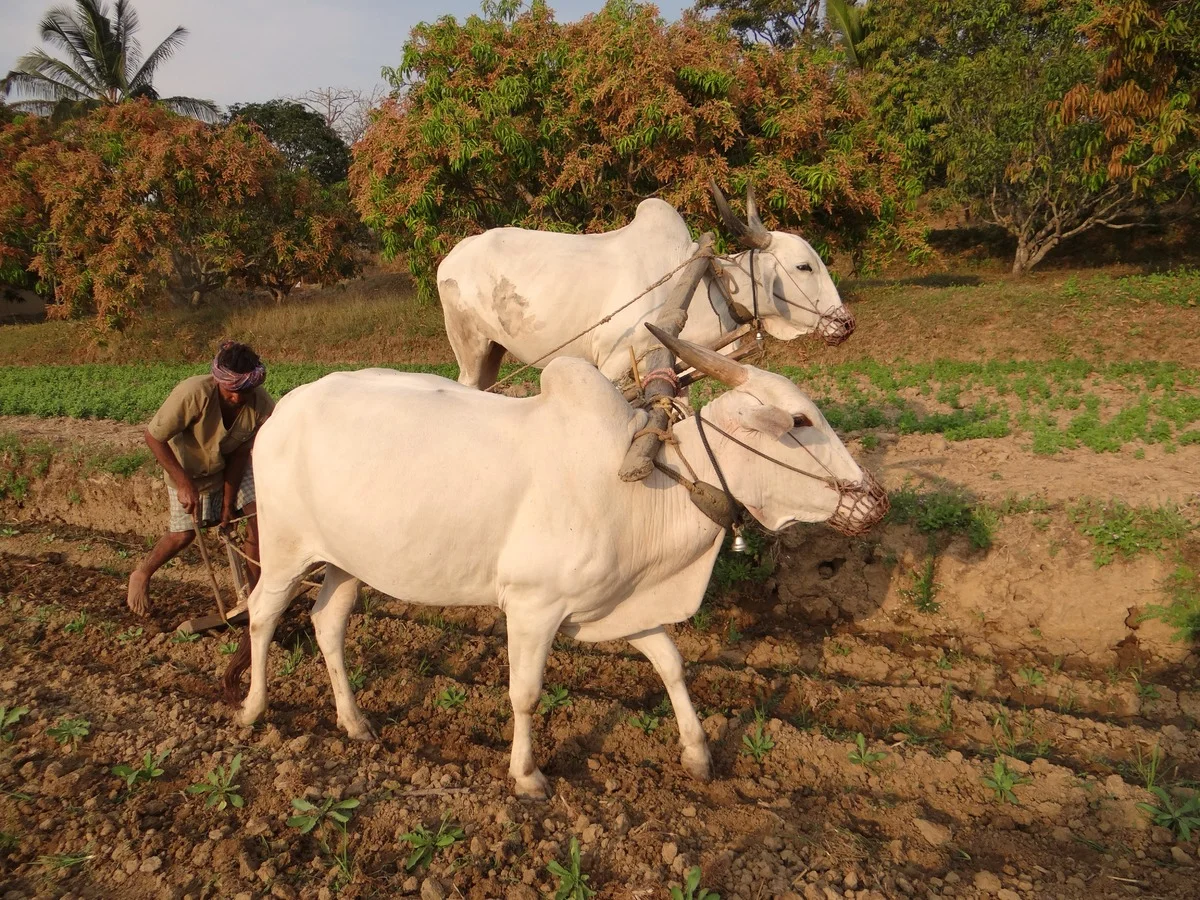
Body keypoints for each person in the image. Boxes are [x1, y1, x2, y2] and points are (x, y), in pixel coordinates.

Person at [126, 341, 274, 617]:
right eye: (232, 391)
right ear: (219, 380)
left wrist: (228, 504)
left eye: (245, 391)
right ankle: (142, 573)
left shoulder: (262, 404)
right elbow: (154, 437)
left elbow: (241, 454)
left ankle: (257, 598)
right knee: (183, 535)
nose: (238, 398)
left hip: (231, 466)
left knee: (258, 521)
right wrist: (183, 483)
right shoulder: (192, 393)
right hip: (187, 470)